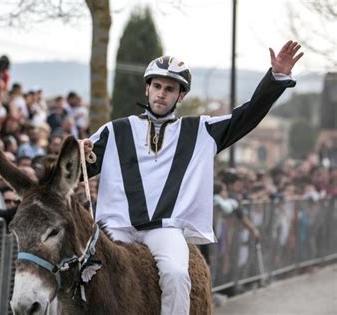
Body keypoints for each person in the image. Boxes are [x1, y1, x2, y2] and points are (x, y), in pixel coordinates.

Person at [83, 41, 303, 314]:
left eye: (170, 89)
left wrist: (275, 78)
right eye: (157, 87)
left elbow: (247, 115)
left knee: (176, 274)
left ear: (180, 96)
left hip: (164, 228)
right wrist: (75, 152)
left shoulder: (200, 130)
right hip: (116, 226)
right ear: (147, 88)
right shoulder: (113, 130)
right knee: (87, 275)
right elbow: (75, 169)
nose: (161, 94)